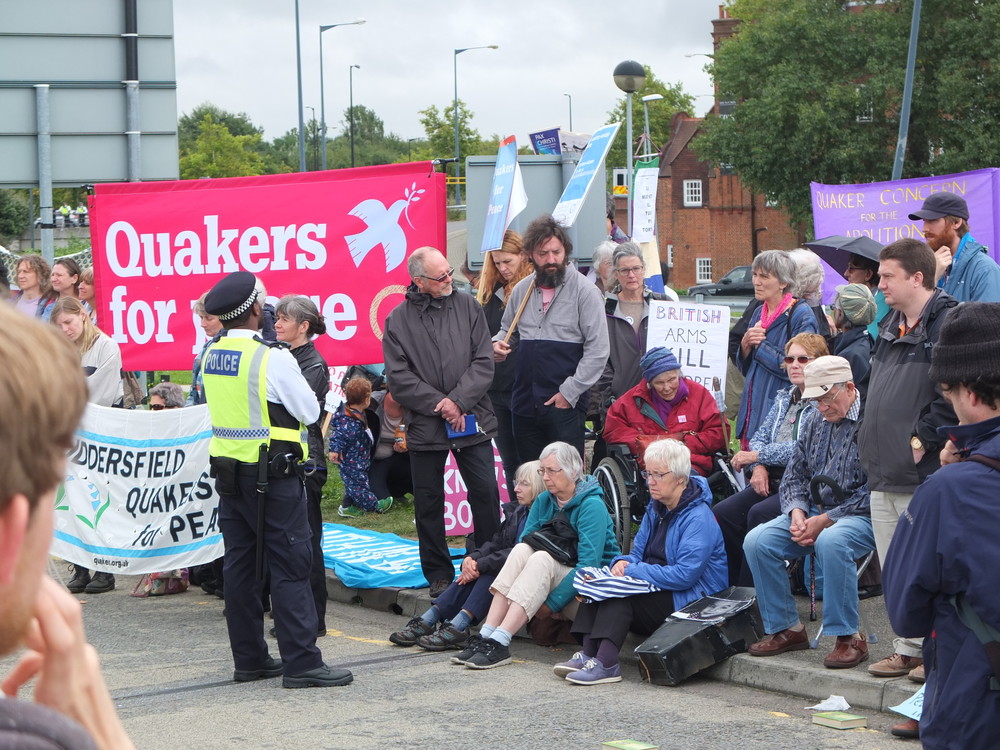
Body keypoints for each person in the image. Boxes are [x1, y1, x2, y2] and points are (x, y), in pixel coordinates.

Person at [201, 270, 352, 689]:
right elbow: (308, 410)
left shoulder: (211, 354)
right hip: (274, 477)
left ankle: (249, 660)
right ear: (255, 311)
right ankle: (302, 662)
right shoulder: (273, 357)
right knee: (290, 565)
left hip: (230, 475)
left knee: (241, 568)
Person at [0, 302, 135, 750]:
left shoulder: (105, 348)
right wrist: (100, 738)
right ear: (11, 536)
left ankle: (99, 569)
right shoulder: (31, 738)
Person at [883, 302, 1000, 748]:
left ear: (969, 392)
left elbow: (905, 611)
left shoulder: (949, 489)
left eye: (948, 395)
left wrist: (945, 476)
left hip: (976, 704)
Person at [858, 238, 958, 682]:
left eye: (886, 277)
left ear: (918, 277)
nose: (879, 285)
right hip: (883, 471)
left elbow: (953, 394)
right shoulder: (889, 323)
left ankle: (933, 651)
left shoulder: (949, 322)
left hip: (922, 472)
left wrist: (920, 440)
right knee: (895, 568)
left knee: (928, 568)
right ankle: (907, 649)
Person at [556, 439, 727, 685]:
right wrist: (622, 563)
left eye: (658, 474)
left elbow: (684, 576)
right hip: (659, 586)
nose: (651, 481)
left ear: (680, 478)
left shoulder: (698, 518)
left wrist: (633, 569)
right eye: (648, 473)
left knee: (621, 597)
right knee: (599, 585)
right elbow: (636, 554)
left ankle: (606, 663)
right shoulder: (656, 507)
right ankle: (588, 654)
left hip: (694, 599)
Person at [383, 246, 501, 597]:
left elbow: (483, 361)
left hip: (471, 418)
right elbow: (399, 378)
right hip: (426, 425)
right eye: (441, 276)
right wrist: (440, 404)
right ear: (418, 281)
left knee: (485, 493)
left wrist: (459, 402)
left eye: (449, 271)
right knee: (428, 502)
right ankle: (437, 574)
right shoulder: (398, 320)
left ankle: (484, 561)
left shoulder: (468, 306)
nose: (450, 279)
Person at [744, 356, 875, 669]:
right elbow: (794, 476)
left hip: (862, 515)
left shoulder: (873, 421)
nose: (822, 408)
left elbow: (877, 489)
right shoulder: (815, 419)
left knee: (832, 540)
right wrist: (797, 513)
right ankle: (787, 628)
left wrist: (826, 519)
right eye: (815, 401)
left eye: (827, 398)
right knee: (757, 541)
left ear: (850, 388)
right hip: (816, 511)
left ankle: (849, 637)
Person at [459, 441, 620, 670]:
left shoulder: (591, 505)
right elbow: (527, 542)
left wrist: (551, 604)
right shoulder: (544, 500)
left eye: (552, 471)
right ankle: (487, 635)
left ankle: (501, 640)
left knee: (540, 558)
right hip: (549, 578)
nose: (545, 477)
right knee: (522, 550)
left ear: (573, 471)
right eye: (542, 471)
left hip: (589, 592)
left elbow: (588, 567)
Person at [389, 460, 545, 652]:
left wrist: (481, 564)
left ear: (539, 486)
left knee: (488, 573)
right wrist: (472, 558)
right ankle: (432, 618)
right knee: (475, 570)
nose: (517, 489)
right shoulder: (519, 511)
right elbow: (497, 542)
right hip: (508, 567)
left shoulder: (542, 515)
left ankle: (458, 626)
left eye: (524, 484)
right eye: (516, 483)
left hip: (529, 573)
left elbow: (519, 552)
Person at [492, 214, 610, 461]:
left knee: (565, 478)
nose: (551, 260)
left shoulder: (586, 292)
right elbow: (508, 330)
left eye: (556, 252)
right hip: (524, 402)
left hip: (564, 404)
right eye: (543, 254)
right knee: (529, 476)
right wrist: (498, 343)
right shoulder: (522, 289)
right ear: (530, 255)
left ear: (566, 251)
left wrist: (569, 393)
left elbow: (598, 351)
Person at [713, 333, 827, 586]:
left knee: (757, 514)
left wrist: (757, 456)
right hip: (772, 479)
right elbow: (759, 436)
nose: (795, 364)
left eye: (803, 359)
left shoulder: (822, 402)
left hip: (803, 486)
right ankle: (729, 586)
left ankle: (751, 596)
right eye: (790, 358)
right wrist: (759, 466)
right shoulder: (786, 396)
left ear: (819, 362)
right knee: (723, 513)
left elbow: (802, 450)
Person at [274, 294, 332, 635]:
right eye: (277, 318)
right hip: (286, 457)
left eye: (284, 319)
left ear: (304, 326)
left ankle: (315, 618)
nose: (277, 324)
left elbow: (297, 410)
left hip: (307, 461)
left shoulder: (313, 364)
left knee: (308, 540)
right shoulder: (282, 356)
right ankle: (293, 614)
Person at [734, 250, 819, 449]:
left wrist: (760, 346)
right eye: (755, 274)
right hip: (750, 416)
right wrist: (745, 345)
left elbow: (803, 368)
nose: (756, 281)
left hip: (778, 417)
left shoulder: (801, 315)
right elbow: (746, 368)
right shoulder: (758, 312)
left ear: (783, 282)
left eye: (764, 276)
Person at [603, 347, 726, 475]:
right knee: (663, 481)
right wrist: (651, 444)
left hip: (690, 464)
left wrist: (681, 444)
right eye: (659, 383)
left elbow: (719, 433)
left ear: (679, 375)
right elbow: (613, 430)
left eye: (672, 379)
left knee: (683, 481)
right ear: (649, 383)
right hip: (651, 467)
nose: (667, 388)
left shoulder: (699, 395)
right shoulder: (631, 401)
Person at [477, 229, 532, 491]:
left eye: (508, 261)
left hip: (523, 385)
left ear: (523, 256)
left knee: (529, 460)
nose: (503, 268)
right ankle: (515, 516)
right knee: (510, 461)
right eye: (497, 263)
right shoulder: (490, 292)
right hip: (496, 387)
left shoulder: (530, 289)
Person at [909, 191, 1000, 303]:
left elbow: (988, 319)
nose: (925, 228)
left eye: (932, 220)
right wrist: (932, 278)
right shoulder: (928, 266)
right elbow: (911, 317)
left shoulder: (985, 269)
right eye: (924, 221)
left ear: (956, 222)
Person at [328, 377, 392, 517]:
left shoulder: (356, 414)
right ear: (366, 398)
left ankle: (346, 507)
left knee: (352, 484)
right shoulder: (347, 419)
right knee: (359, 486)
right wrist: (334, 450)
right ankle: (374, 505)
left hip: (359, 457)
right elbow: (337, 435)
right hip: (351, 460)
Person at [51, 297, 124, 413]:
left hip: (101, 421)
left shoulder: (107, 346)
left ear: (83, 315)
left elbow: (102, 394)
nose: (64, 329)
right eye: (59, 326)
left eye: (68, 322)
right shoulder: (60, 351)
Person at [368, 390, 412, 504]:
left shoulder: (413, 405)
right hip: (372, 459)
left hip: (396, 457)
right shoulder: (371, 402)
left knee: (421, 481)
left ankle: (396, 490)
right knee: (382, 500)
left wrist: (407, 446)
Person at [831, 282, 876, 383]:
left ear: (841, 313)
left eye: (834, 307)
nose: (833, 310)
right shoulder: (866, 340)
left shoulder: (852, 355)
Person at [186, 293, 224, 406]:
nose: (203, 324)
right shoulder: (203, 352)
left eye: (209, 318)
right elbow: (194, 396)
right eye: (201, 318)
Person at [843, 253, 889, 339]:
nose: (846, 273)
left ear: (868, 274)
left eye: (851, 269)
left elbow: (870, 338)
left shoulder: (884, 302)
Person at [12, 254, 57, 321]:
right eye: (19, 272)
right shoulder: (10, 298)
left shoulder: (50, 304)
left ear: (40, 274)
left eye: (26, 272)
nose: (20, 276)